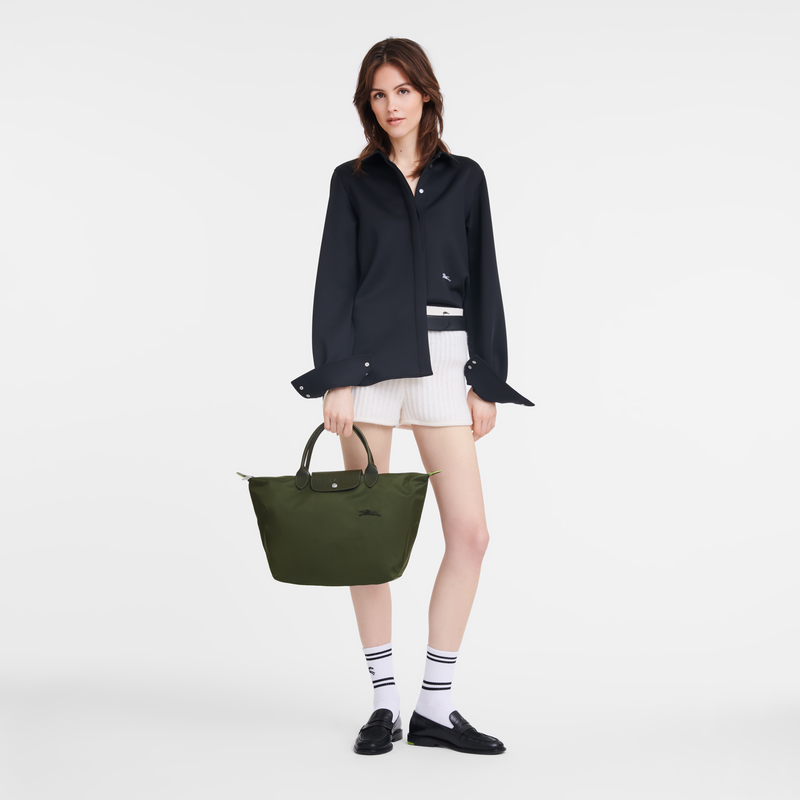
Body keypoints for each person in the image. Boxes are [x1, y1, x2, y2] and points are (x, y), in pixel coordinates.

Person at [291, 37, 534, 756]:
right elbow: (335, 279)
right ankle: (383, 703)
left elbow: (486, 278)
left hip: (446, 364)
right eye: (378, 94)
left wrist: (485, 376)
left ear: (426, 93)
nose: (391, 105)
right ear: (367, 105)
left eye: (402, 90)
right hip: (367, 369)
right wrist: (336, 374)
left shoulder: (465, 179)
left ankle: (435, 705)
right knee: (367, 538)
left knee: (470, 534)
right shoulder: (352, 182)